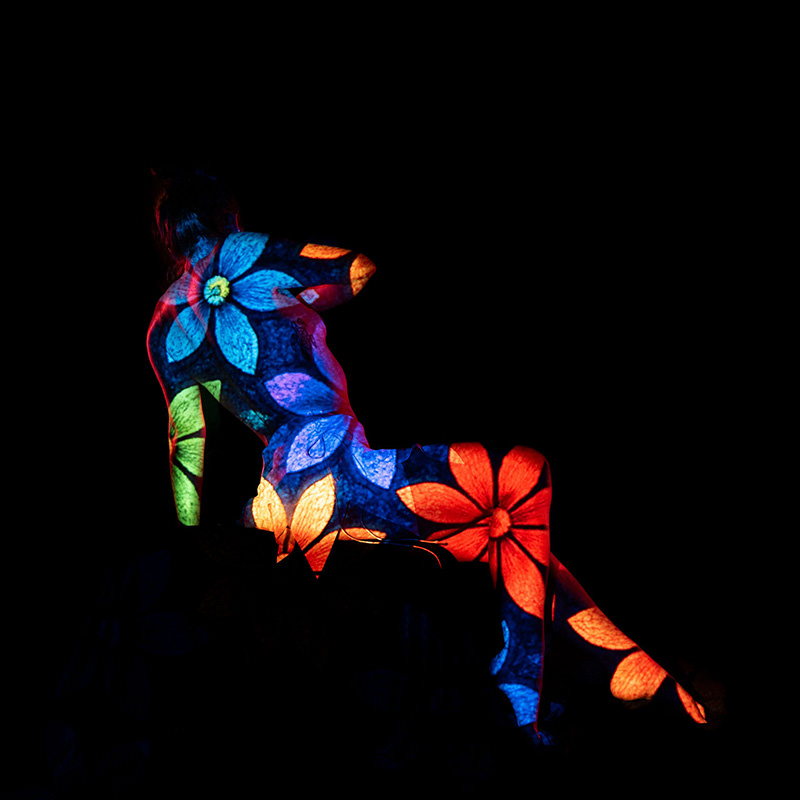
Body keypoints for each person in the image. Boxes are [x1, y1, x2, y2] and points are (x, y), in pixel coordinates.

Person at [146, 168, 707, 743]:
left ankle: (648, 682)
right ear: (227, 213)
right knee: (520, 483)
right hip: (346, 477)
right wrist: (303, 299)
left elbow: (186, 448)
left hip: (279, 512)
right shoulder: (244, 253)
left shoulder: (164, 326)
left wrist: (200, 552)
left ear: (168, 235)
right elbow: (354, 269)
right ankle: (518, 707)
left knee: (511, 546)